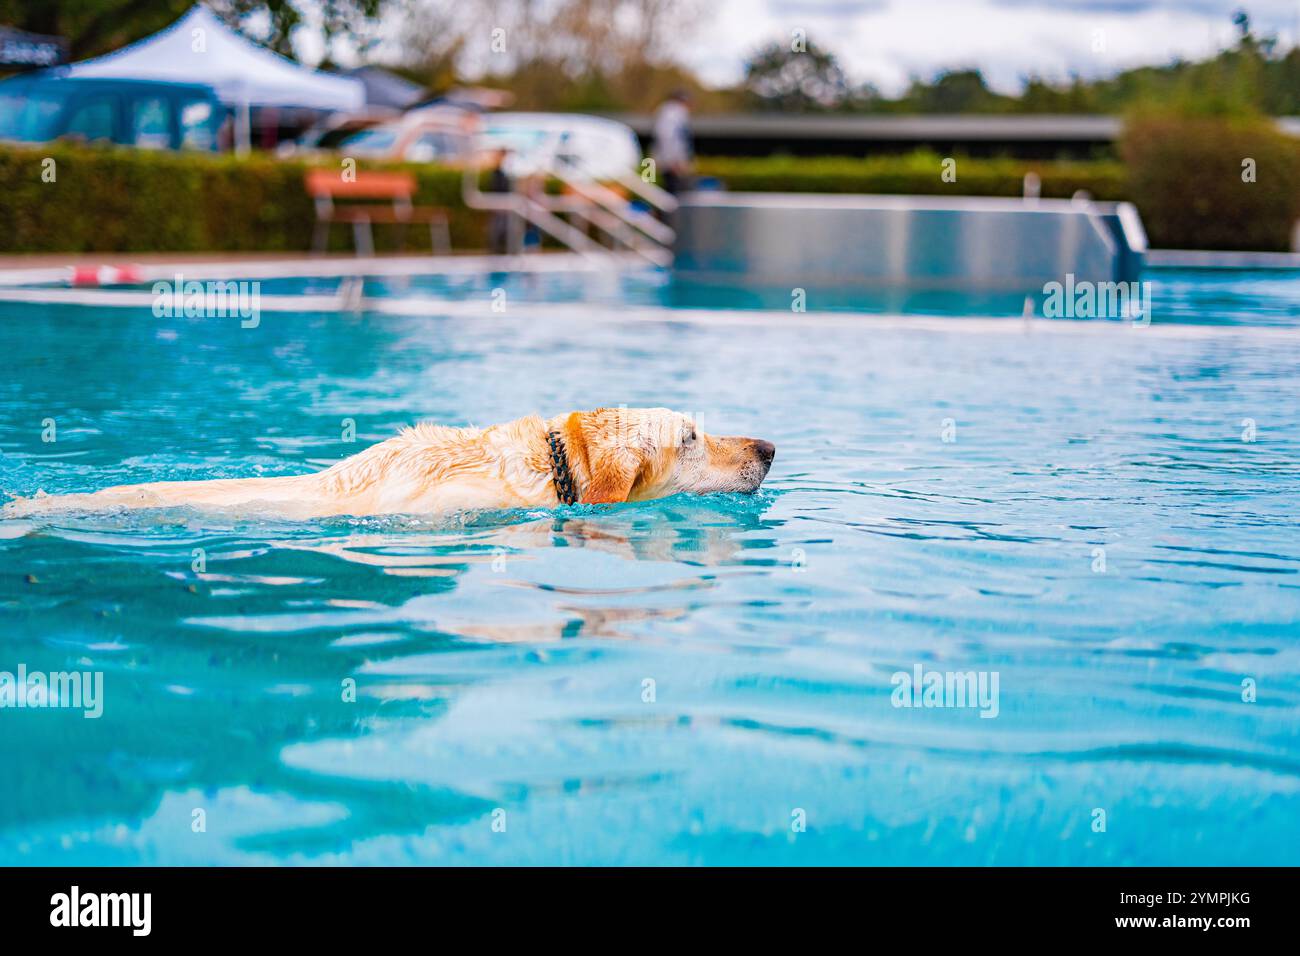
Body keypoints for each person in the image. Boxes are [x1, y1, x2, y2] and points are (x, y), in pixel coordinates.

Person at [651, 89, 693, 199]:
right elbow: (667, 137)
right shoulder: (672, 113)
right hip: (670, 163)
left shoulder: (672, 113)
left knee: (672, 194)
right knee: (670, 195)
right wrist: (674, 160)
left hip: (670, 161)